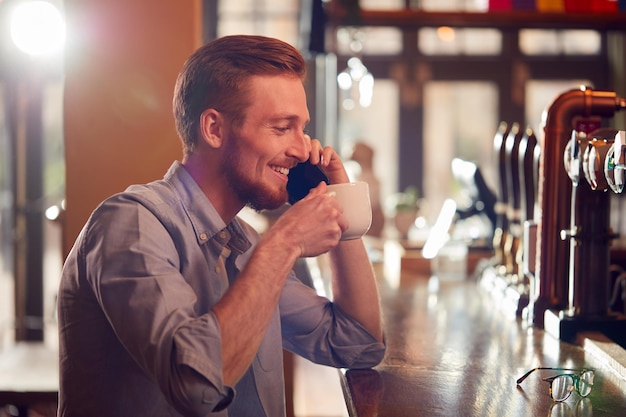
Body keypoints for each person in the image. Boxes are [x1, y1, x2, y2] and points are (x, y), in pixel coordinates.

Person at [57, 35, 385, 417]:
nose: (302, 148)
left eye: (302, 128)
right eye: (282, 128)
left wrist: (337, 199)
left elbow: (357, 344)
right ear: (214, 129)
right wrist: (284, 245)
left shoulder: (244, 243)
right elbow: (196, 387)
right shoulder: (129, 225)